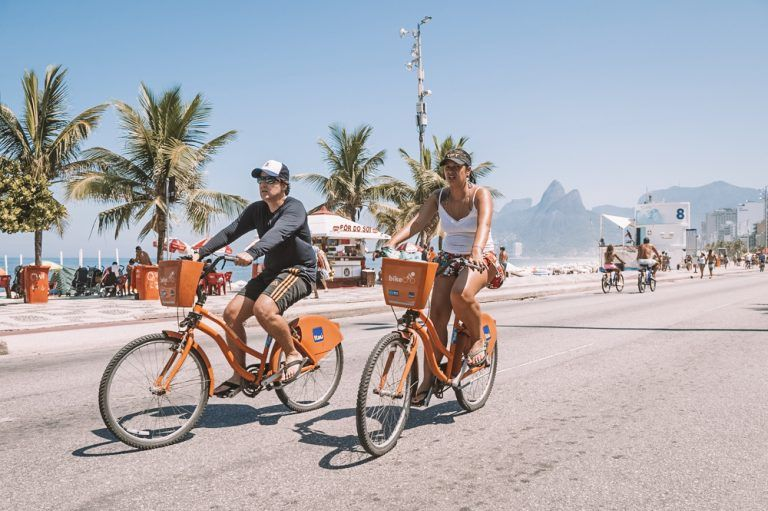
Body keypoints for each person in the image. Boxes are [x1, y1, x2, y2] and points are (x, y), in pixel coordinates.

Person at [381, 148, 504, 406]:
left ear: (467, 170)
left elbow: (484, 225)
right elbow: (416, 224)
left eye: (456, 166)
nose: (450, 171)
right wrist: (390, 244)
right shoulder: (438, 197)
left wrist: (477, 251)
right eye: (446, 166)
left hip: (480, 256)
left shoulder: (481, 194)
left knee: (460, 294)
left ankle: (478, 340)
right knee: (436, 317)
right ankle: (428, 380)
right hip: (449, 258)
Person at [194, 160, 316, 397]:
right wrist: (199, 252)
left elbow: (278, 233)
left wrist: (252, 253)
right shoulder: (256, 210)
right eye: (260, 180)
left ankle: (292, 353)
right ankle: (239, 376)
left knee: (264, 309)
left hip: (298, 271)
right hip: (272, 272)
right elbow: (231, 231)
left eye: (270, 180)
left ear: (283, 184)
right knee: (230, 315)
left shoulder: (295, 208)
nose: (263, 185)